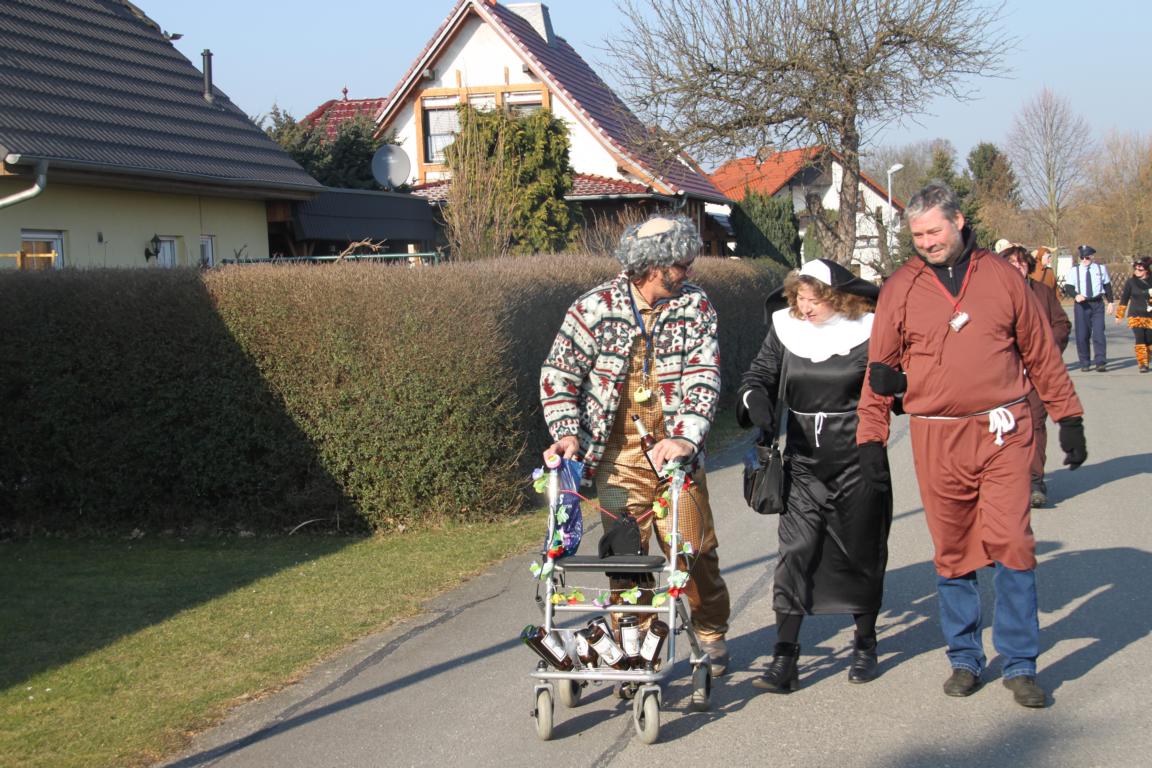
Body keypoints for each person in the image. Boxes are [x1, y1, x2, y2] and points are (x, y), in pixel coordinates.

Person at [858, 182, 1087, 709]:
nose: (927, 242)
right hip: (937, 434)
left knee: (1012, 541)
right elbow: (879, 369)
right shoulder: (901, 286)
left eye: (934, 231)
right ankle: (964, 657)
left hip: (1003, 429)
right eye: (918, 236)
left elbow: (1040, 352)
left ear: (958, 221)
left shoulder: (1004, 277)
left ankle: (1021, 663)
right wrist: (871, 436)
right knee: (954, 549)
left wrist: (1068, 415)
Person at [539, 214, 732, 675]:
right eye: (681, 264)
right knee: (626, 558)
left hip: (676, 460)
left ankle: (709, 628)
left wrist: (684, 438)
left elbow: (704, 376)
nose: (689, 271)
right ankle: (636, 647)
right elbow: (558, 375)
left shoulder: (695, 306)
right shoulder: (594, 307)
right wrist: (566, 430)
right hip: (616, 461)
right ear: (654, 266)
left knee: (693, 552)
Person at [737, 259, 893, 692]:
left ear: (839, 298)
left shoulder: (870, 331)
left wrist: (897, 385)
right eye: (799, 298)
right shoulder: (786, 329)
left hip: (858, 457)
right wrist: (754, 399)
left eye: (814, 300)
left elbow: (895, 387)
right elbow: (758, 375)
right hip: (803, 460)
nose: (804, 308)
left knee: (861, 550)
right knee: (795, 552)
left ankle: (865, 644)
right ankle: (784, 658)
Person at [1001, 245, 1071, 507]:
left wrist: (1046, 351)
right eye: (1011, 263)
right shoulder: (992, 293)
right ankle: (1007, 480)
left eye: (1021, 263)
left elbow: (1062, 324)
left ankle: (1034, 482)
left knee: (1035, 424)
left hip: (1037, 373)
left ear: (1029, 266)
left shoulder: (1042, 292)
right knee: (1003, 427)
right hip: (1002, 375)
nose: (1017, 267)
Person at [1069, 244, 1114, 371]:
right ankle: (1085, 362)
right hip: (1082, 305)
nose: (1084, 260)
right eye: (1082, 258)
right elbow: (1069, 286)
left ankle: (1100, 361)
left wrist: (1111, 302)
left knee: (1099, 333)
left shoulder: (1100, 269)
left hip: (1097, 303)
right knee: (1082, 334)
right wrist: (1076, 295)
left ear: (1092, 257)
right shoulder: (1075, 270)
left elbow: (1107, 286)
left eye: (1087, 258)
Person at [1114, 256, 1152, 373]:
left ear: (1146, 270)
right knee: (1140, 337)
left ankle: (1147, 357)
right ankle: (1142, 363)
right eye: (1135, 269)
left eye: (1140, 269)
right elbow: (1124, 299)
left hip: (1150, 316)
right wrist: (1119, 315)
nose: (1137, 271)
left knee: (1149, 339)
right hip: (1135, 315)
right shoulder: (1131, 282)